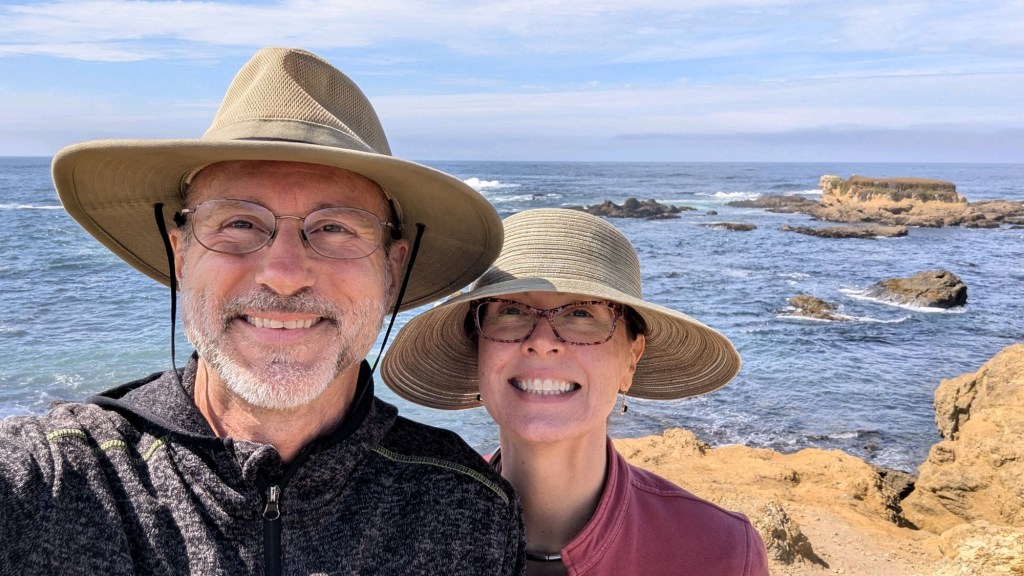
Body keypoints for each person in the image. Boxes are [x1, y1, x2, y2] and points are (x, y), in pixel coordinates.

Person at [0, 47, 525, 575]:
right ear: (181, 255)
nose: (284, 273)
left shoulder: (467, 510)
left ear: (392, 269)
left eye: (335, 228)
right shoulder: (52, 481)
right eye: (239, 223)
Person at [383, 208, 770, 575]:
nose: (542, 342)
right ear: (478, 349)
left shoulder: (720, 552)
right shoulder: (399, 529)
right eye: (511, 310)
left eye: (581, 313)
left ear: (631, 359)